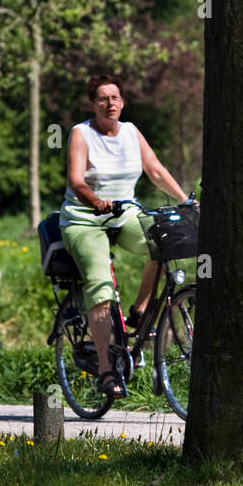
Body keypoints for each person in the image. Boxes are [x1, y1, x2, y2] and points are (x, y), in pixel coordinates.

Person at [61, 74, 191, 397]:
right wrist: (94, 200)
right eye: (103, 98)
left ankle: (141, 310)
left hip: (124, 214)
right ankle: (106, 371)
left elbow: (156, 171)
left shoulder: (131, 132)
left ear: (123, 102)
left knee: (163, 242)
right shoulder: (81, 133)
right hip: (84, 220)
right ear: (93, 104)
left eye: (115, 97)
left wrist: (186, 201)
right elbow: (76, 181)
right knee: (100, 284)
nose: (110, 103)